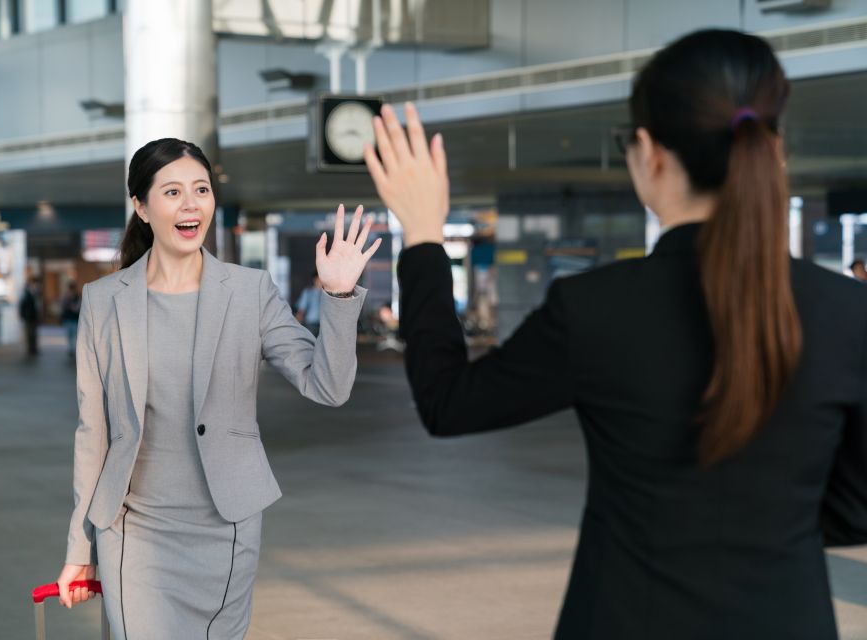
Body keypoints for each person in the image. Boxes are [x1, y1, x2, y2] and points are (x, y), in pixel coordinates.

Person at [363, 30, 867, 640]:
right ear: (774, 149)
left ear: (649, 153)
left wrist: (422, 237)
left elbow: (448, 403)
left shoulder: (595, 308)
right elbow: (858, 504)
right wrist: (773, 520)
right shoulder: (848, 312)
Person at [56, 138, 380, 639]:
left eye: (201, 189)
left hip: (224, 527)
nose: (191, 204)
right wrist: (81, 548)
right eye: (172, 192)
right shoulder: (103, 301)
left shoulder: (251, 292)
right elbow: (93, 431)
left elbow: (328, 386)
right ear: (141, 207)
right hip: (132, 529)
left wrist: (337, 296)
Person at [18, 276, 41, 356]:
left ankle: (33, 348)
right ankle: (30, 349)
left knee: (33, 333)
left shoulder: (35, 293)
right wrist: (23, 315)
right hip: (28, 317)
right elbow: (22, 305)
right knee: (29, 333)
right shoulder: (26, 293)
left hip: (34, 317)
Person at [60, 281, 82, 358]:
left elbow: (77, 308)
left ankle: (75, 350)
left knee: (75, 335)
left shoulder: (78, 297)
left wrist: (73, 307)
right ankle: (71, 350)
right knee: (69, 335)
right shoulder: (66, 297)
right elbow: (63, 306)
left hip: (75, 319)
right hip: (68, 319)